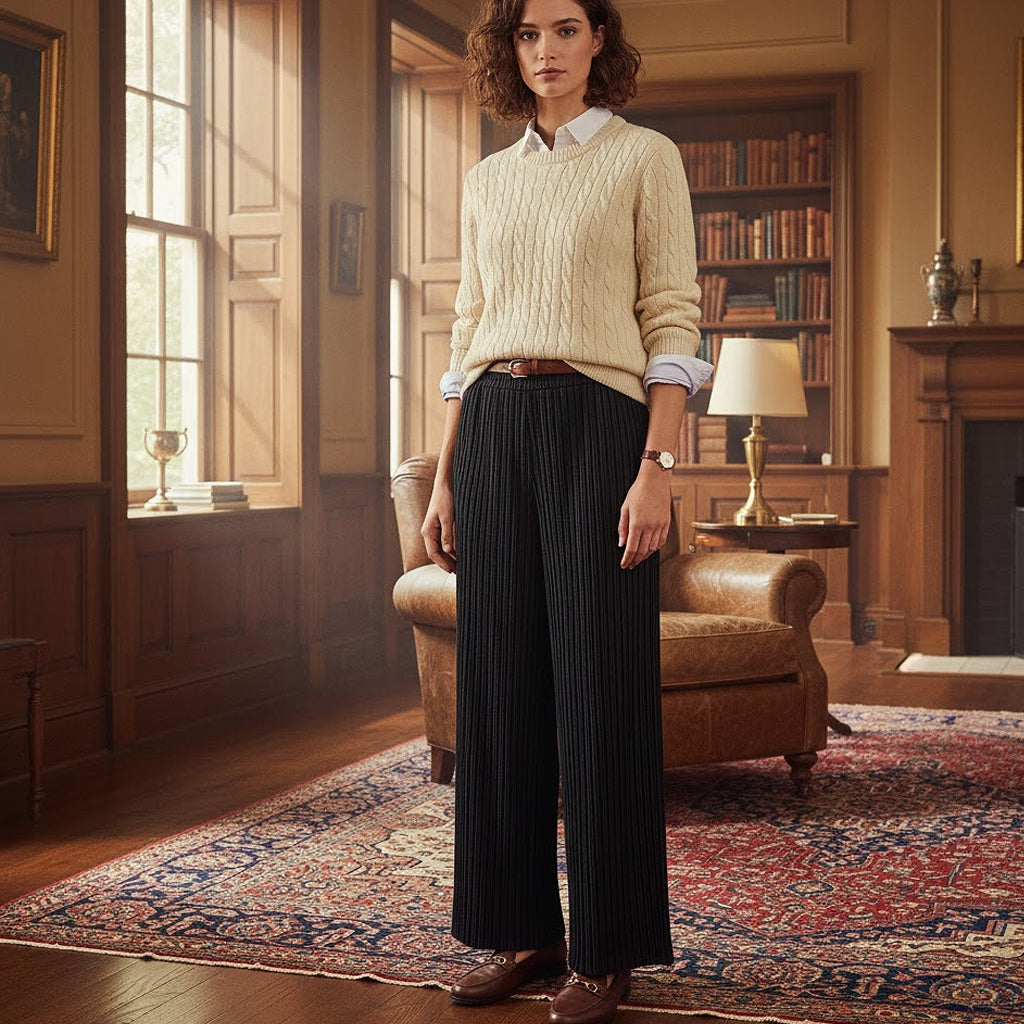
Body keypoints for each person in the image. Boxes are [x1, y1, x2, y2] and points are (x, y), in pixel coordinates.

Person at [419, 1, 712, 1021]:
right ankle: (525, 933)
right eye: (526, 34)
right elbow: (465, 332)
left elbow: (672, 315)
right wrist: (448, 475)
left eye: (564, 29)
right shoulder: (486, 179)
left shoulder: (644, 157)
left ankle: (608, 947)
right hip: (494, 422)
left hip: (600, 423)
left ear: (598, 42)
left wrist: (656, 466)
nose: (543, 51)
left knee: (599, 688)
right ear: (510, 51)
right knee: (497, 692)